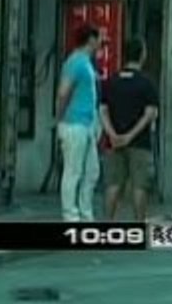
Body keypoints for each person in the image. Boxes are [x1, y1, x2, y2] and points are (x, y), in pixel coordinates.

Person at [99, 38, 159, 221]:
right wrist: (131, 135)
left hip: (114, 143)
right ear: (142, 55)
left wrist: (112, 134)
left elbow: (102, 110)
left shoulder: (111, 81)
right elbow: (150, 113)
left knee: (113, 184)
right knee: (140, 186)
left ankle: (109, 224)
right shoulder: (147, 83)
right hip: (140, 143)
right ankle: (138, 225)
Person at [55, 25, 103, 222]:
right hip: (74, 123)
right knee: (73, 170)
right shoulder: (75, 62)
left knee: (92, 171)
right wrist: (60, 119)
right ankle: (70, 214)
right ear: (90, 40)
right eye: (99, 38)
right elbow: (63, 92)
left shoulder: (86, 63)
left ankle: (85, 210)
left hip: (87, 124)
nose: (101, 42)